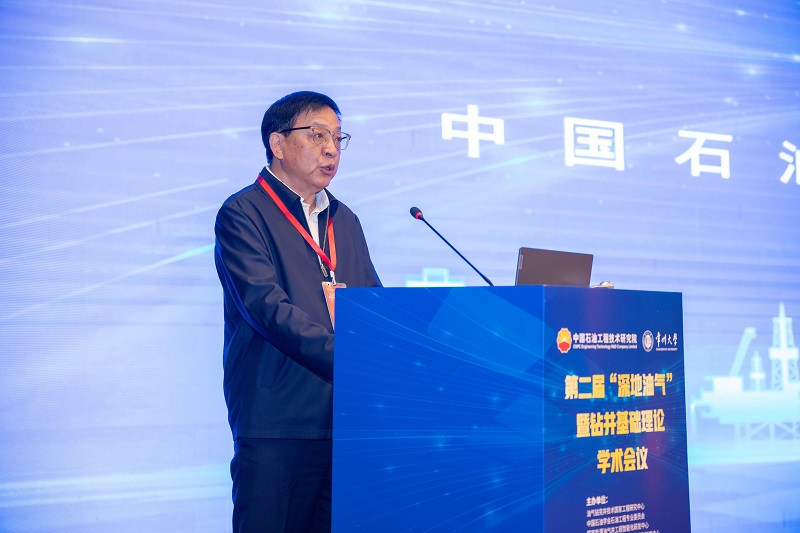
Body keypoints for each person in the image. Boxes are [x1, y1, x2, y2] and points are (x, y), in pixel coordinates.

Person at [214, 91, 381, 532]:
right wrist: (353, 357)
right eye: (318, 135)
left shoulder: (344, 219)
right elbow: (266, 307)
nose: (331, 149)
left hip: (346, 420)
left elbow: (373, 305)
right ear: (278, 143)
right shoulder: (243, 212)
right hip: (278, 420)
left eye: (338, 139)